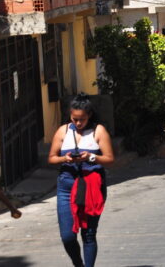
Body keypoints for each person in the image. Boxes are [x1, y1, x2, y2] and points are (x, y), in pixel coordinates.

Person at [48, 94, 114, 267]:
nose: (78, 123)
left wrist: (91, 157)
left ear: (89, 115)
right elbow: (52, 158)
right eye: (74, 119)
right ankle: (78, 263)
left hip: (92, 186)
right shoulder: (63, 131)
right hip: (66, 186)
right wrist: (65, 159)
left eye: (82, 119)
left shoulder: (98, 131)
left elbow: (110, 159)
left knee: (88, 233)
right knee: (68, 236)